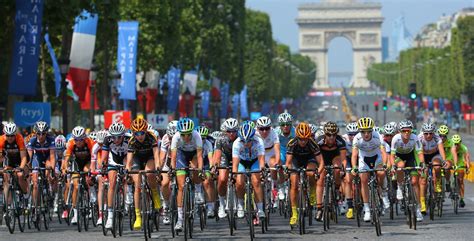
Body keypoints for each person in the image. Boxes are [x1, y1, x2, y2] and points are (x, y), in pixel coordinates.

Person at [126, 118, 161, 230]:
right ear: (133, 133)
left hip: (149, 157)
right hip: (137, 159)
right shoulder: (132, 141)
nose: (139, 136)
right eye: (136, 133)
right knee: (137, 186)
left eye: (142, 133)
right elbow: (129, 160)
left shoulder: (151, 138)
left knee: (149, 173)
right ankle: (138, 217)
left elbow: (156, 155)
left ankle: (155, 195)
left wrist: (158, 167)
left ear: (146, 132)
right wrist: (127, 169)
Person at [351, 117, 388, 222]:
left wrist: (385, 164)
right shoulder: (357, 138)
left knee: (381, 173)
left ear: (372, 130)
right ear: (360, 131)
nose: (366, 134)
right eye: (363, 132)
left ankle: (383, 193)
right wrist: (354, 167)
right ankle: (367, 209)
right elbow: (354, 155)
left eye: (368, 131)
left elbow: (383, 152)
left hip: (377, 158)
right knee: (363, 179)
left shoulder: (377, 136)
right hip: (364, 159)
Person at [286, 123, 323, 227]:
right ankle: (294, 213)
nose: (303, 141)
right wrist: (288, 171)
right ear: (297, 136)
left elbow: (321, 163)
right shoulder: (292, 143)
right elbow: (288, 162)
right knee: (294, 184)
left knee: (310, 172)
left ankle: (312, 192)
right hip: (296, 160)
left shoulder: (312, 144)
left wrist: (318, 173)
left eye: (305, 139)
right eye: (301, 139)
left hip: (309, 159)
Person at [170, 118, 203, 232]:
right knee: (181, 186)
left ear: (191, 132)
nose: (186, 137)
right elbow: (173, 157)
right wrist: (173, 170)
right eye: (183, 135)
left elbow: (199, 156)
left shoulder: (197, 136)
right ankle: (179, 219)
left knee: (195, 169)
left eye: (188, 134)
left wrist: (200, 170)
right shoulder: (176, 137)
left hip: (194, 154)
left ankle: (198, 192)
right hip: (181, 155)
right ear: (180, 133)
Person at [232, 122, 266, 225]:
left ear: (253, 137)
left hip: (255, 161)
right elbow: (235, 163)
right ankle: (241, 205)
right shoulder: (237, 143)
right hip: (242, 162)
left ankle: (260, 209)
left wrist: (262, 171)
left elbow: (261, 161)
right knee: (239, 182)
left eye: (248, 141)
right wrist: (234, 174)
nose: (246, 143)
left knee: (256, 181)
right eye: (243, 141)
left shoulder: (259, 141)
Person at [390, 120, 424, 222]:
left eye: (408, 131)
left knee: (414, 182)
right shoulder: (395, 139)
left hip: (410, 156)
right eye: (404, 131)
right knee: (400, 166)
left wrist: (422, 164)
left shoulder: (415, 138)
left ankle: (418, 209)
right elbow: (391, 155)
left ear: (411, 131)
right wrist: (392, 166)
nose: (406, 133)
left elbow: (420, 153)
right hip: (398, 156)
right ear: (400, 131)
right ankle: (400, 187)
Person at [62, 126, 95, 224]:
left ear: (84, 138)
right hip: (76, 163)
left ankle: (91, 201)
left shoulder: (90, 142)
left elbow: (94, 157)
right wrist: (64, 169)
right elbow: (67, 159)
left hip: (87, 162)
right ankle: (75, 213)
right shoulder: (71, 143)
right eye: (76, 140)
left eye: (80, 140)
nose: (78, 142)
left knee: (87, 173)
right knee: (76, 186)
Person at [314, 121, 346, 221]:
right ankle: (319, 208)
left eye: (334, 135)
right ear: (324, 134)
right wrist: (318, 170)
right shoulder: (319, 141)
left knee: (337, 168)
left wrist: (342, 170)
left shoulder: (340, 141)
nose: (331, 137)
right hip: (323, 158)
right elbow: (316, 157)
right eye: (328, 134)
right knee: (320, 179)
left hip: (335, 156)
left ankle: (336, 189)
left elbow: (343, 159)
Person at [27, 121, 56, 219]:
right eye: (38, 133)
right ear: (35, 133)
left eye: (43, 133)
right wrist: (28, 168)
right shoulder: (32, 140)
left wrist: (52, 170)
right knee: (35, 182)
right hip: (37, 158)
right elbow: (29, 157)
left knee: (48, 167)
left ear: (46, 133)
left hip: (47, 157)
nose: (41, 136)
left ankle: (49, 186)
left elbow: (52, 157)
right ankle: (36, 206)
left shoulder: (51, 140)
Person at [213, 118, 239, 219]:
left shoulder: (241, 138)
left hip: (238, 155)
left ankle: (240, 201)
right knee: (222, 178)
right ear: (225, 131)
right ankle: (222, 204)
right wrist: (215, 166)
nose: (231, 134)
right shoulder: (220, 138)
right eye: (229, 131)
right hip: (225, 156)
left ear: (237, 130)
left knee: (239, 178)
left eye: (234, 131)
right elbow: (217, 155)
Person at [417, 122, 446, 214]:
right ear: (423, 132)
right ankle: (422, 203)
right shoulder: (419, 137)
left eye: (431, 133)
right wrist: (421, 164)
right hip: (423, 156)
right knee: (423, 180)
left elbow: (441, 150)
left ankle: (437, 182)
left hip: (434, 155)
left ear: (434, 133)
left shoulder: (437, 137)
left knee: (437, 166)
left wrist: (444, 161)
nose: (428, 135)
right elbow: (418, 152)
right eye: (426, 133)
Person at [255, 116, 281, 207]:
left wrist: (277, 163)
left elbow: (277, 149)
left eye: (267, 128)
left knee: (274, 164)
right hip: (259, 154)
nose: (264, 131)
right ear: (257, 128)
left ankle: (275, 185)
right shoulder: (254, 134)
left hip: (270, 153)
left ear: (270, 127)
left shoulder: (273, 133)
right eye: (261, 129)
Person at [0, 122, 28, 206]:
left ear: (15, 134)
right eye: (8, 135)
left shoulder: (19, 138)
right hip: (9, 161)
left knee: (19, 175)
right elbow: (1, 157)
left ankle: (25, 194)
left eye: (12, 135)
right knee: (6, 176)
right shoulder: (1, 140)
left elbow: (23, 157)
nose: (10, 138)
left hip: (19, 160)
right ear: (5, 134)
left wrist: (21, 168)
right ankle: (7, 205)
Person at [159, 120, 178, 225]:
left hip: (181, 159)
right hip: (169, 160)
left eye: (174, 138)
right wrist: (159, 169)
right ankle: (166, 205)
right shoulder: (165, 138)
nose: (172, 140)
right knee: (165, 183)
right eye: (171, 138)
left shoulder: (184, 137)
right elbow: (162, 157)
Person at [275, 113, 296, 202]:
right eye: (282, 125)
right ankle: (282, 186)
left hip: (292, 151)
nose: (285, 126)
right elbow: (275, 146)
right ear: (279, 125)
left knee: (291, 168)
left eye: (288, 124)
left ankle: (292, 184)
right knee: (279, 165)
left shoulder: (295, 132)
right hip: (282, 150)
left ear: (291, 124)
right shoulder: (276, 132)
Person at [90, 129, 109, 226]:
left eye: (103, 144)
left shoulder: (111, 144)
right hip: (100, 165)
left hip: (110, 162)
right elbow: (93, 163)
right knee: (101, 186)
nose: (101, 146)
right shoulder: (95, 147)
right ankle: (101, 215)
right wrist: (93, 172)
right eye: (100, 143)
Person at [197, 126, 216, 217]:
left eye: (203, 138)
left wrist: (212, 167)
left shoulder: (208, 143)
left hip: (205, 162)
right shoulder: (193, 142)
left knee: (207, 181)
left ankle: (210, 207)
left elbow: (210, 158)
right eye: (199, 137)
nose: (201, 140)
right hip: (195, 162)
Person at [341, 122, 358, 218]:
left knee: (362, 178)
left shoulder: (361, 137)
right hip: (347, 158)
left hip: (359, 158)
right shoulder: (344, 139)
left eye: (355, 134)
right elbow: (342, 155)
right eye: (351, 134)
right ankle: (350, 207)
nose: (353, 136)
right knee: (347, 180)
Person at [451, 134, 470, 208]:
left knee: (461, 180)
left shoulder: (464, 148)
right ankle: (450, 185)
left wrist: (467, 167)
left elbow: (467, 157)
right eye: (454, 143)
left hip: (460, 163)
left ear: (460, 142)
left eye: (457, 143)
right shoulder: (451, 147)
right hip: (452, 161)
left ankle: (462, 198)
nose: (456, 145)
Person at [438, 125, 455, 192]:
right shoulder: (436, 141)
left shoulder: (451, 142)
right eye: (440, 136)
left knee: (447, 167)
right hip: (438, 159)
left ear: (447, 135)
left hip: (448, 158)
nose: (442, 138)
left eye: (444, 136)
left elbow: (453, 153)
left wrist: (450, 161)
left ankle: (447, 182)